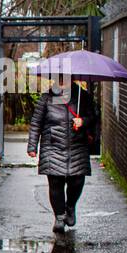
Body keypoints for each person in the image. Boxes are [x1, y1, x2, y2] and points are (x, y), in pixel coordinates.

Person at [27, 79, 100, 233]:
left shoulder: (82, 96)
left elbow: (94, 116)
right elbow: (36, 123)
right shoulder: (46, 97)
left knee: (77, 180)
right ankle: (59, 217)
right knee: (55, 183)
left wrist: (83, 121)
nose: (61, 82)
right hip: (52, 145)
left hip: (77, 145)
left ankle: (71, 206)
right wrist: (32, 146)